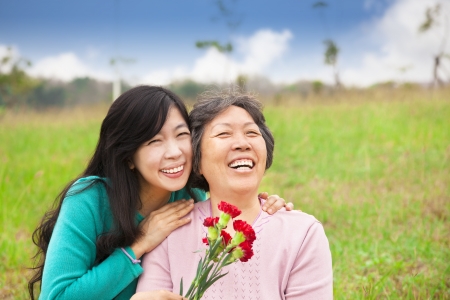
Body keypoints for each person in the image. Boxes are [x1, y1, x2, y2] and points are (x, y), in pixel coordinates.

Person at [28, 86, 292, 300]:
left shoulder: (191, 200)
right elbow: (56, 296)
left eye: (181, 135)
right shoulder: (90, 198)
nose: (174, 152)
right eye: (155, 141)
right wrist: (139, 245)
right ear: (129, 156)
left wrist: (266, 208)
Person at [135, 89, 333, 299]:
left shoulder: (302, 233)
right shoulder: (168, 230)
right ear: (197, 160)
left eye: (252, 133)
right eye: (224, 134)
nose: (242, 143)